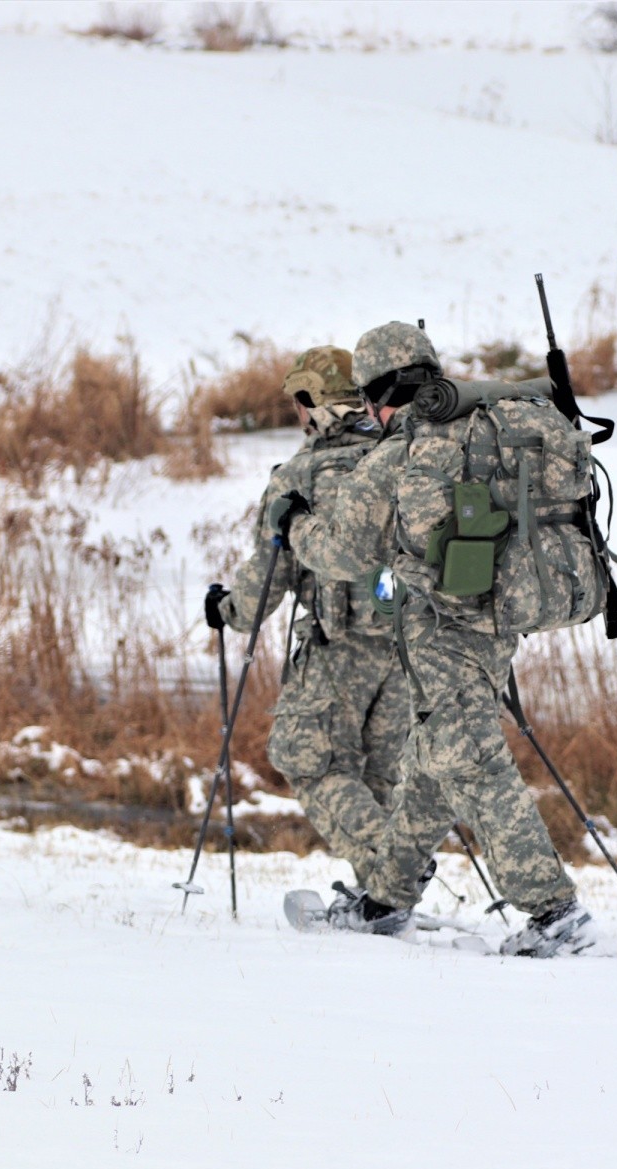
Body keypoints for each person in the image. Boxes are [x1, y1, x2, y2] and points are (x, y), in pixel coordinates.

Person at [279, 321, 599, 957]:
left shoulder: (405, 450)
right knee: (427, 764)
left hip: (445, 631)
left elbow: (340, 554)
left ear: (378, 396)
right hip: (499, 618)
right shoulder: (497, 426)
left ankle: (552, 908)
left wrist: (294, 527)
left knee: (471, 763)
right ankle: (384, 902)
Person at [219, 346, 411, 908]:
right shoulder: (404, 458)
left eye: (300, 404)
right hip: (406, 644)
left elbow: (266, 584)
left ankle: (391, 874)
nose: (298, 417)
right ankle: (381, 896)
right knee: (377, 775)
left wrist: (227, 609)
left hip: (339, 647)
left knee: (310, 760)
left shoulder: (301, 476)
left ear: (314, 403)